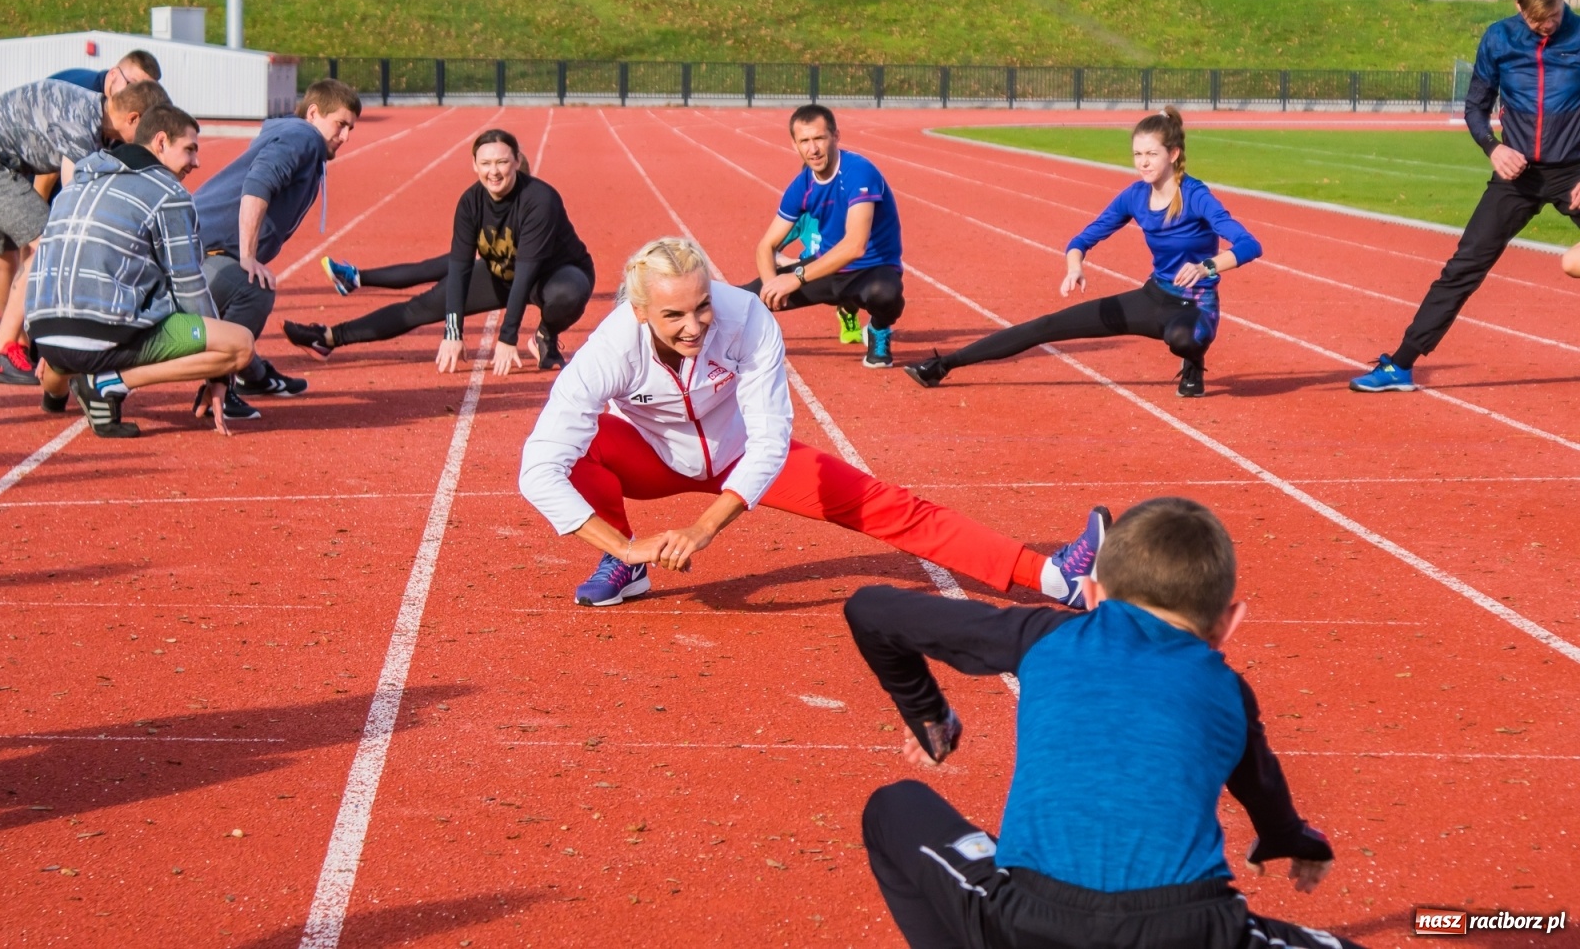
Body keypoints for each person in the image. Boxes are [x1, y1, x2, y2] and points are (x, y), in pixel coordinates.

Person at [846, 497, 1359, 949]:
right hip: (1194, 930)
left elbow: (870, 609)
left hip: (1029, 920)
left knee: (895, 807)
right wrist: (1293, 839)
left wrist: (929, 716)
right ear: (1227, 623)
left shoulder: (1044, 635)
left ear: (1091, 594)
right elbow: (1264, 792)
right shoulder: (1229, 691)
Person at [518, 237, 1108, 608]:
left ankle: (1054, 578)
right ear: (640, 310)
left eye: (702, 305)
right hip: (649, 458)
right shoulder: (610, 349)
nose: (695, 325)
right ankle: (624, 567)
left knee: (887, 504)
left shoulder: (745, 317)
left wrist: (704, 527)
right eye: (673, 315)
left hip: (742, 453)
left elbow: (770, 440)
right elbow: (537, 469)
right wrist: (628, 543)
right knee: (577, 449)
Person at [905, 107, 1261, 399]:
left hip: (1194, 307)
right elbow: (1083, 238)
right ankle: (942, 365)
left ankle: (1193, 362)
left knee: (1182, 340)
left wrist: (1206, 266)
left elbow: (1249, 245)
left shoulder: (1195, 195)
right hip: (1154, 297)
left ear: (1173, 154)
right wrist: (1074, 265)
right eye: (1138, 154)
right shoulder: (1134, 196)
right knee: (1047, 325)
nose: (1143, 162)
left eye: (1152, 154)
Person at [1353, 0, 1580, 392]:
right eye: (1537, 21)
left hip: (1575, 172)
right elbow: (1475, 107)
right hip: (1518, 176)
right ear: (1518, 7)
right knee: (1463, 267)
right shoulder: (1498, 39)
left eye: (1552, 15)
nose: (1547, 26)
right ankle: (1400, 364)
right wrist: (1493, 148)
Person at [25, 104, 253, 438]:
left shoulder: (76, 184)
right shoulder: (168, 193)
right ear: (161, 142)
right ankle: (108, 383)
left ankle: (55, 393)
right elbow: (188, 284)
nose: (196, 162)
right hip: (100, 336)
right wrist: (217, 375)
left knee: (77, 332)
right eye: (189, 149)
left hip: (45, 333)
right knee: (241, 345)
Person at [281, 129, 592, 373]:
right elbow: (459, 268)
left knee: (568, 293)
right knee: (421, 307)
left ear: (517, 163)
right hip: (504, 273)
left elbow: (526, 272)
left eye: (501, 163)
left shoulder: (540, 199)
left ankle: (545, 335)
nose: (493, 172)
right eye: (485, 163)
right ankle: (329, 337)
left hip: (553, 275)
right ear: (474, 165)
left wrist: (507, 337)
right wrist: (452, 332)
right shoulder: (470, 202)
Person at [0, 78, 171, 387]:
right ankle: (2, 349)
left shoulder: (95, 117)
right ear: (133, 118)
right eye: (148, 132)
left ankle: (23, 343)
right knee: (48, 245)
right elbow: (75, 198)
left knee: (7, 254)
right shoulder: (81, 126)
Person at [193, 78, 361, 419]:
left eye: (350, 129)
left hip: (196, 241)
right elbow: (258, 184)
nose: (345, 137)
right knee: (253, 286)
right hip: (200, 249)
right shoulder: (304, 137)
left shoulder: (297, 134)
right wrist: (247, 256)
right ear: (314, 113)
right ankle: (218, 387)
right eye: (340, 125)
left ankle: (254, 375)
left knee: (242, 293)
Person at [741, 105, 905, 369]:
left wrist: (794, 279)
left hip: (871, 271)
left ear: (835, 137)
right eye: (804, 141)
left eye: (819, 138)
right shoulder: (802, 185)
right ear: (795, 145)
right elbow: (766, 245)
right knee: (741, 301)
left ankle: (878, 330)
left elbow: (855, 246)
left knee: (886, 294)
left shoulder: (859, 172)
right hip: (826, 270)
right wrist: (772, 287)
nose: (813, 149)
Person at [49, 50, 162, 97]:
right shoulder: (84, 96)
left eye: (147, 93)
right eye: (132, 86)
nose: (139, 97)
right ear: (113, 74)